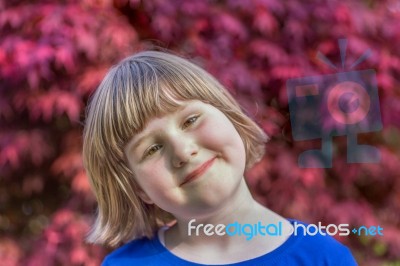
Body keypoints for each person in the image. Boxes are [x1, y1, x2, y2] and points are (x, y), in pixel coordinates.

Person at [82, 51, 358, 265]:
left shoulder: (325, 259)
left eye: (190, 120)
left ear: (232, 118)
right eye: (152, 149)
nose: (182, 151)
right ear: (138, 187)